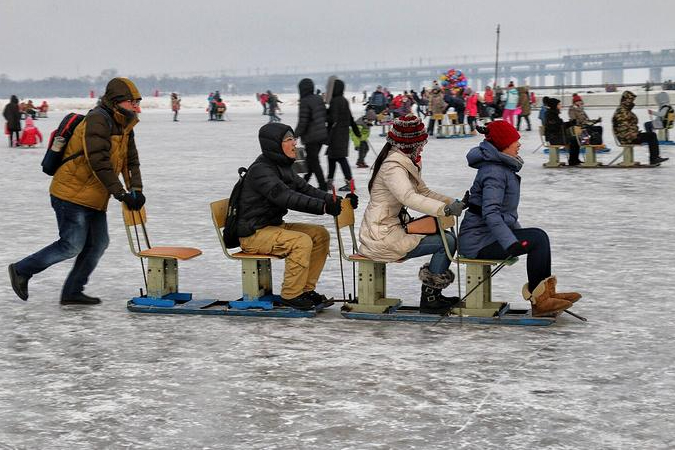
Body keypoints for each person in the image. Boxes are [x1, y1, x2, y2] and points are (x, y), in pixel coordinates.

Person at [8, 77, 146, 305]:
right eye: (133, 102)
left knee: (98, 243)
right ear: (117, 101)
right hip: (70, 193)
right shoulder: (98, 120)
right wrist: (121, 193)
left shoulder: (126, 125)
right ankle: (22, 270)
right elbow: (98, 161)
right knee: (71, 244)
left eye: (138, 102)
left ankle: (72, 291)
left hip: (93, 196)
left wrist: (136, 189)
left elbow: (131, 162)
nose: (137, 107)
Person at [459, 121, 581, 317]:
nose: (519, 144)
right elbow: (491, 213)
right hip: (478, 242)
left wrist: (517, 234)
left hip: (487, 237)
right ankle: (541, 300)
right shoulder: (494, 171)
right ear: (503, 145)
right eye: (515, 141)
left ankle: (545, 295)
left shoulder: (500, 167)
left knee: (538, 236)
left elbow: (504, 215)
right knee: (537, 239)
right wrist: (510, 242)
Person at [235, 122, 358, 310]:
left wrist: (338, 201)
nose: (295, 144)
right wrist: (324, 207)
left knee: (319, 234)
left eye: (294, 138)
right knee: (301, 241)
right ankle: (292, 294)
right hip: (253, 233)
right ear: (274, 144)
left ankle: (305, 290)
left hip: (272, 227)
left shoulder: (282, 166)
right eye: (289, 139)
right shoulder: (262, 171)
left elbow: (305, 189)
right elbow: (287, 198)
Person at [358, 114, 468, 315]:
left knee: (448, 238)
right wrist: (443, 210)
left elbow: (423, 192)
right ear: (411, 143)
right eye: (421, 142)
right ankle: (430, 299)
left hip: (390, 228)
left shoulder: (406, 161)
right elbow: (408, 196)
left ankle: (432, 295)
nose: (423, 146)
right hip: (381, 235)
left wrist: (452, 203)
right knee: (447, 242)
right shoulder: (393, 167)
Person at [613, 91, 668, 165]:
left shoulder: (625, 110)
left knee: (651, 135)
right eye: (630, 100)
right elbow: (621, 127)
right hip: (627, 138)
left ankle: (655, 158)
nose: (632, 102)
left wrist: (634, 132)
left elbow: (628, 125)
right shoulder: (622, 111)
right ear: (625, 100)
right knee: (651, 135)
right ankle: (654, 159)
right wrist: (632, 134)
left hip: (630, 136)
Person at [295, 78, 329, 191]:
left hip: (311, 136)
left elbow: (303, 121)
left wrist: (295, 135)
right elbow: (324, 115)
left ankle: (322, 185)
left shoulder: (304, 101)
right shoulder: (318, 98)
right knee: (311, 160)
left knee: (313, 161)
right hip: (322, 135)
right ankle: (303, 183)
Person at [326, 79, 360, 192]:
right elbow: (350, 118)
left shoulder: (335, 101)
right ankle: (329, 182)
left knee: (340, 158)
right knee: (332, 158)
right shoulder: (344, 100)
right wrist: (356, 131)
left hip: (336, 134)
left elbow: (332, 119)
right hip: (343, 134)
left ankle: (349, 183)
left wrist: (325, 113)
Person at [545, 97, 581, 166]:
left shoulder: (554, 114)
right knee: (575, 140)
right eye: (559, 104)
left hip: (557, 136)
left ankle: (574, 160)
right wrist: (569, 124)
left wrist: (570, 123)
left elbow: (560, 125)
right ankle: (573, 161)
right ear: (554, 105)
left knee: (575, 139)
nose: (560, 106)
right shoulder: (550, 115)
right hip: (554, 138)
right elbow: (556, 127)